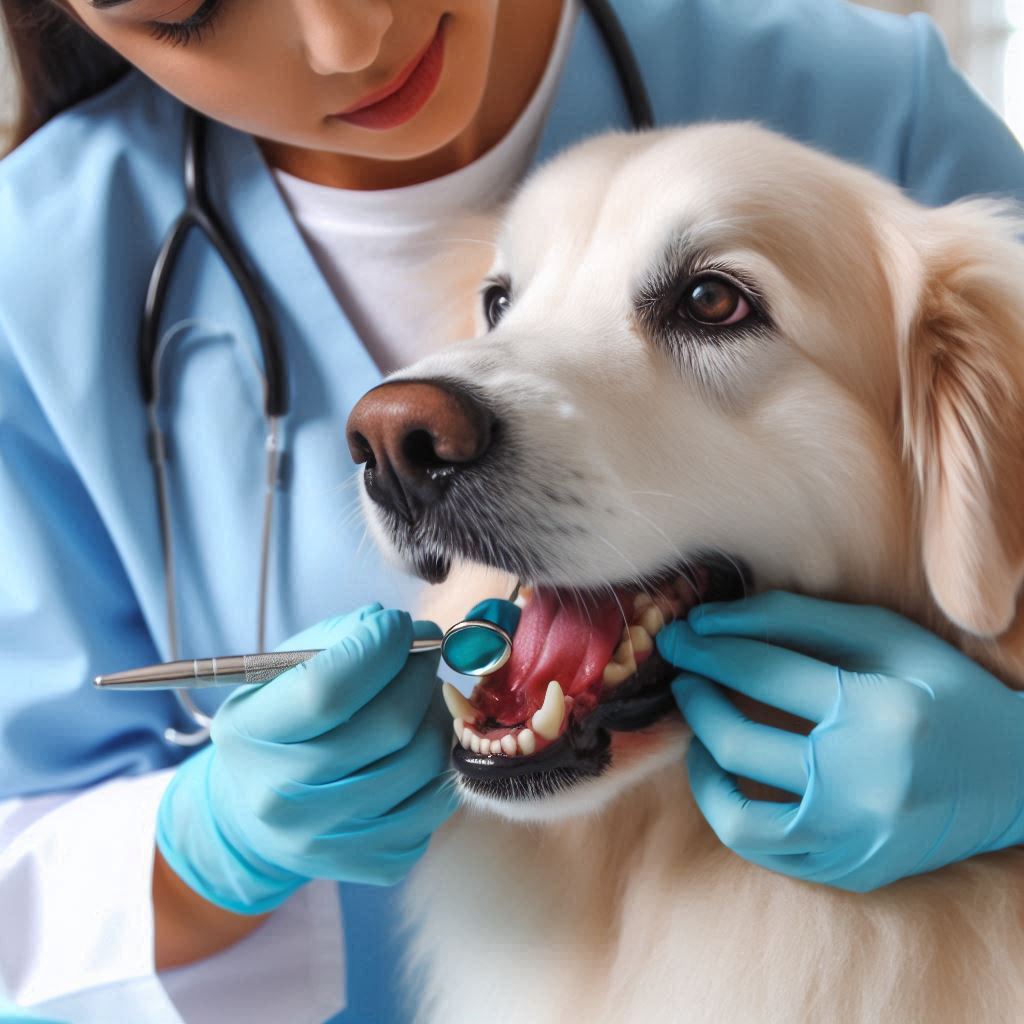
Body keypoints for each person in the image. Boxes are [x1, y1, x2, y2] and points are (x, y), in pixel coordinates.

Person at [0, 0, 1022, 1021]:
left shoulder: (879, 103)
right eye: (188, 7)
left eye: (712, 301)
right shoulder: (33, 267)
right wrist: (206, 846)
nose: (347, 42)